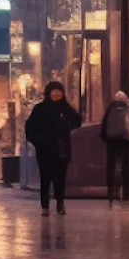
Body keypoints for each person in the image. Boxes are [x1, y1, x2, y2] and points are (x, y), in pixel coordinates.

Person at [25, 81, 82, 216]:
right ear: (48, 93)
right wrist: (37, 141)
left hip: (61, 150)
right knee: (45, 178)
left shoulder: (66, 109)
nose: (56, 94)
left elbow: (77, 121)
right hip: (44, 150)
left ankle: (60, 204)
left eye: (59, 91)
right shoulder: (40, 109)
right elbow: (30, 127)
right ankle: (45, 206)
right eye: (54, 91)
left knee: (60, 178)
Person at [99, 91, 129, 204]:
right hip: (125, 140)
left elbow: (104, 124)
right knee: (126, 166)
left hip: (112, 141)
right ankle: (126, 193)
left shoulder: (111, 107)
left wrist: (105, 138)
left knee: (111, 166)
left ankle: (111, 191)